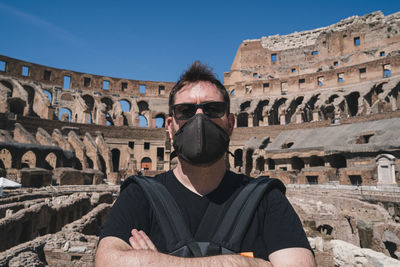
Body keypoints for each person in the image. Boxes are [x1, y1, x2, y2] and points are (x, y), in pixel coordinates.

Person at [95, 62, 316, 266]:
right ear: (170, 127)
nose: (199, 119)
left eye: (212, 110)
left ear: (230, 124)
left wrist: (155, 262)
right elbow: (106, 262)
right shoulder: (139, 195)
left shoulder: (266, 198)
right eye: (186, 111)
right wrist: (250, 263)